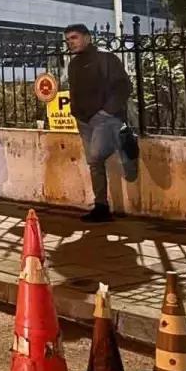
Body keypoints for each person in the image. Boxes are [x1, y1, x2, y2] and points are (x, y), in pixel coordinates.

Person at [65, 24, 133, 223]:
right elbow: (74, 90)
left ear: (87, 37)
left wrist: (107, 110)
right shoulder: (73, 64)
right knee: (94, 163)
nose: (70, 42)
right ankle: (101, 207)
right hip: (84, 120)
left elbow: (124, 86)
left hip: (104, 117)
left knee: (95, 155)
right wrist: (75, 112)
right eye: (68, 39)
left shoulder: (106, 58)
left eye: (74, 37)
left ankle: (123, 142)